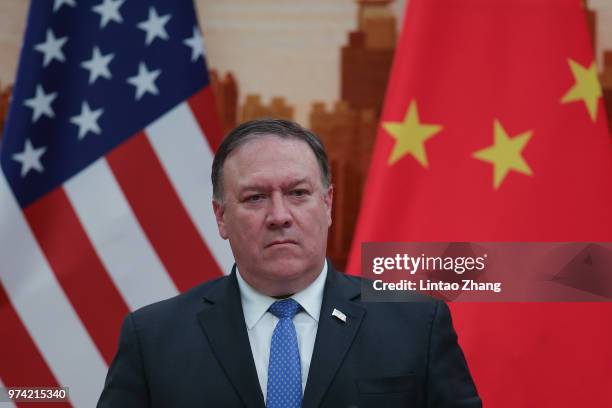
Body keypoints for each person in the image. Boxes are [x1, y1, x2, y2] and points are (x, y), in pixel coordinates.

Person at [97, 119, 481, 407]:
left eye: (298, 192)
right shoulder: (153, 338)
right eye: (255, 198)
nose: (279, 215)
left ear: (327, 204)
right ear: (220, 217)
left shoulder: (416, 323)